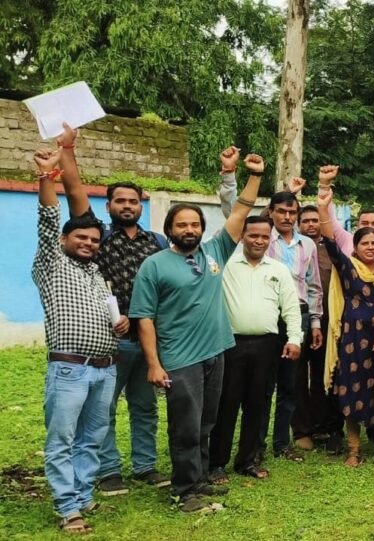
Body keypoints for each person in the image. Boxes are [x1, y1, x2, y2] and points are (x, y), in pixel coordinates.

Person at [129, 148, 262, 513]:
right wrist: (153, 364)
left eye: (194, 225)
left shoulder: (214, 252)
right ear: (170, 230)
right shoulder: (154, 266)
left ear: (202, 229)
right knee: (185, 425)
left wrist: (254, 176)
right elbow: (144, 318)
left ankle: (199, 477)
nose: (189, 230)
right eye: (182, 225)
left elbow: (240, 212)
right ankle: (184, 490)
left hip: (216, 352)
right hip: (179, 359)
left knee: (206, 421)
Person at [55, 124, 172, 496]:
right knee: (102, 409)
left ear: (141, 206)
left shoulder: (157, 243)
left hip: (149, 341)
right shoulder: (99, 237)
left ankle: (145, 466)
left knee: (144, 406)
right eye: (120, 201)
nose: (127, 206)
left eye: (133, 201)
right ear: (109, 207)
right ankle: (108, 471)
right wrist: (68, 150)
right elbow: (75, 192)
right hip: (111, 340)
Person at [32, 144, 126, 534]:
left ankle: (83, 493)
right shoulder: (51, 264)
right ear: (63, 240)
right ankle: (67, 507)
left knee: (92, 438)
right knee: (63, 440)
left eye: (93, 239)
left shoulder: (96, 273)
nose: (88, 243)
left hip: (105, 369)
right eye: (81, 237)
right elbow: (48, 216)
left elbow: (103, 314)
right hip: (70, 369)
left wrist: (118, 325)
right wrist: (46, 176)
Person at [218, 171, 325, 459]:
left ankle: (282, 443)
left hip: (297, 316)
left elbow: (313, 286)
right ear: (271, 212)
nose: (287, 217)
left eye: (292, 212)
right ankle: (257, 445)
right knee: (262, 386)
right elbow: (233, 212)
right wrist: (231, 177)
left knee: (291, 383)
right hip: (265, 318)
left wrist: (314, 322)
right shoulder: (260, 238)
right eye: (281, 211)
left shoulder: (307, 245)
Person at [208, 216, 303, 482]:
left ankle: (248, 460)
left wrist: (294, 339)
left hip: (267, 345)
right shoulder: (225, 266)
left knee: (258, 404)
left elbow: (291, 307)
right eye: (253, 235)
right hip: (230, 344)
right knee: (226, 404)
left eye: (264, 236)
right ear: (242, 237)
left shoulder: (278, 269)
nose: (259, 241)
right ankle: (216, 463)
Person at [316, 188, 374, 467]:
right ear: (356, 247)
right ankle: (354, 449)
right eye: (365, 243)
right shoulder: (348, 268)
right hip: (353, 341)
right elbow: (330, 242)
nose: (370, 247)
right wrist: (323, 208)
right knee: (353, 392)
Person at [294, 204, 343, 454]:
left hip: (328, 319)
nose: (311, 224)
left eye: (315, 220)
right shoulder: (293, 249)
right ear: (298, 224)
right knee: (297, 375)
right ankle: (302, 429)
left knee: (324, 373)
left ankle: (324, 425)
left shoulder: (330, 249)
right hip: (297, 317)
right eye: (306, 221)